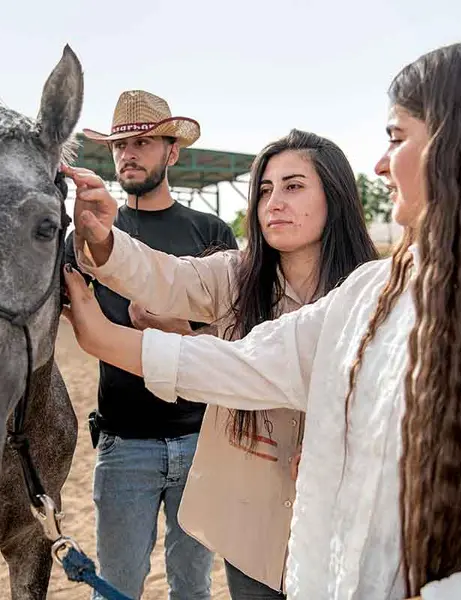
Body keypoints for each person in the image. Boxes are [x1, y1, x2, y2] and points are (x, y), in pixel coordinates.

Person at [62, 40, 461, 600]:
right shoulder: (363, 292)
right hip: (255, 530)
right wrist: (105, 259)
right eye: (265, 190)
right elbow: (208, 322)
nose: (381, 164)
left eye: (396, 138)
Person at [63, 128, 377, 599]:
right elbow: (164, 277)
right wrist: (105, 240)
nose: (273, 202)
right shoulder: (234, 276)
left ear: (335, 197)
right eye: (265, 190)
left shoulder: (372, 294)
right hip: (250, 528)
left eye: (293, 187)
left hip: (343, 525)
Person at [63, 89, 238, 600]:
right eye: (120, 146)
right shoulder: (91, 229)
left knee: (193, 588)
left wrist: (173, 327)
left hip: (202, 440)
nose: (128, 155)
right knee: (116, 589)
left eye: (142, 142)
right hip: (124, 445)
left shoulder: (210, 231)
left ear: (172, 152)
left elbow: (236, 333)